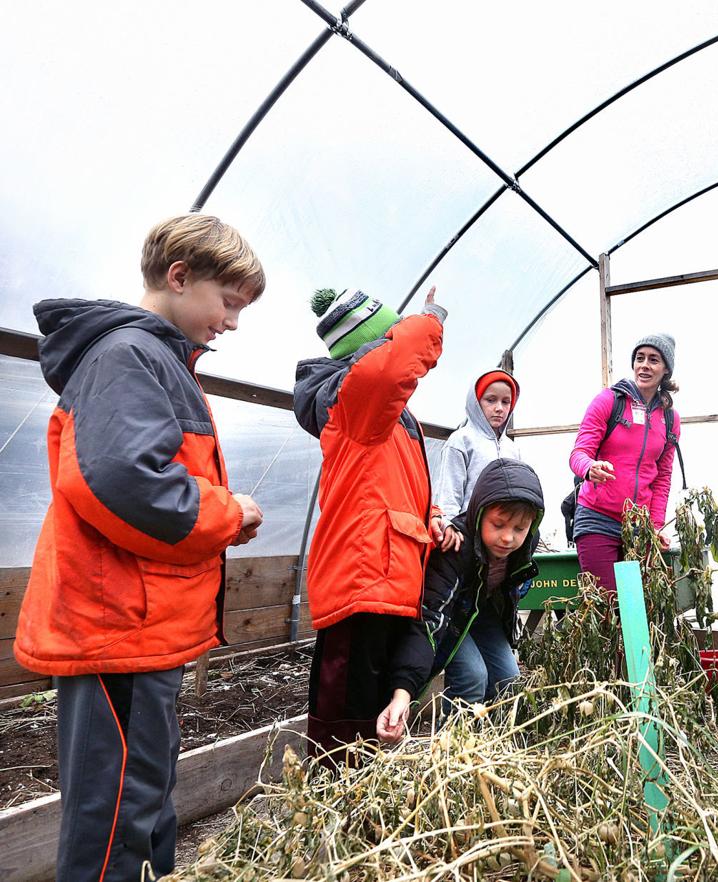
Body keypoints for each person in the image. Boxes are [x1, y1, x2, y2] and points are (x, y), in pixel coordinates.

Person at [13, 215, 267, 880]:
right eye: (229, 303)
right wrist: (226, 512)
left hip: (141, 628)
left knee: (142, 801)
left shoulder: (156, 360)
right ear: (179, 277)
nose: (232, 323)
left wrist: (218, 517)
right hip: (117, 629)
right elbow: (120, 479)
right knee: (116, 817)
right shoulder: (128, 357)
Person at [293, 285, 455, 760]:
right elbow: (392, 366)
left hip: (390, 580)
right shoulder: (353, 399)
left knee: (377, 715)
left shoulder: (388, 417)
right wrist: (429, 318)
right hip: (362, 583)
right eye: (389, 333)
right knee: (345, 720)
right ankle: (330, 808)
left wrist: (434, 520)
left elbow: (396, 486)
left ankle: (363, 809)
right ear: (372, 344)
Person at [377, 458, 543, 739]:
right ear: (479, 513)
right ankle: (451, 755)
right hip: (452, 616)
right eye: (498, 524)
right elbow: (429, 619)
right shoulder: (457, 546)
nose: (507, 538)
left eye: (519, 529)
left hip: (483, 613)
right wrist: (403, 692)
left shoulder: (527, 542)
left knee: (509, 679)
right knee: (471, 678)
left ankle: (493, 747)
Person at [433, 370, 525, 702]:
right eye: (491, 400)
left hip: (494, 571)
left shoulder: (512, 449)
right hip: (465, 565)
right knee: (473, 677)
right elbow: (449, 498)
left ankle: (493, 741)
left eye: (506, 402)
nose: (499, 408)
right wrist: (451, 527)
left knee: (508, 678)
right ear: (476, 402)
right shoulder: (462, 441)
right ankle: (454, 744)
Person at [568, 334, 680, 594]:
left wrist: (655, 525)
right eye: (640, 358)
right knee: (605, 606)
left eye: (653, 360)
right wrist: (589, 468)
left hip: (638, 527)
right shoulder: (609, 401)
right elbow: (578, 453)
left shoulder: (670, 418)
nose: (644, 365)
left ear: (666, 370)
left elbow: (663, 477)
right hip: (597, 517)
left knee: (634, 611)